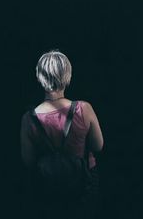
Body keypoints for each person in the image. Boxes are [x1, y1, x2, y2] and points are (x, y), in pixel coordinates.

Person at [21, 50, 104, 219]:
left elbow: (28, 161)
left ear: (39, 77)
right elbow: (98, 146)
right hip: (84, 186)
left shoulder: (29, 119)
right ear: (68, 76)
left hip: (48, 189)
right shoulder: (83, 109)